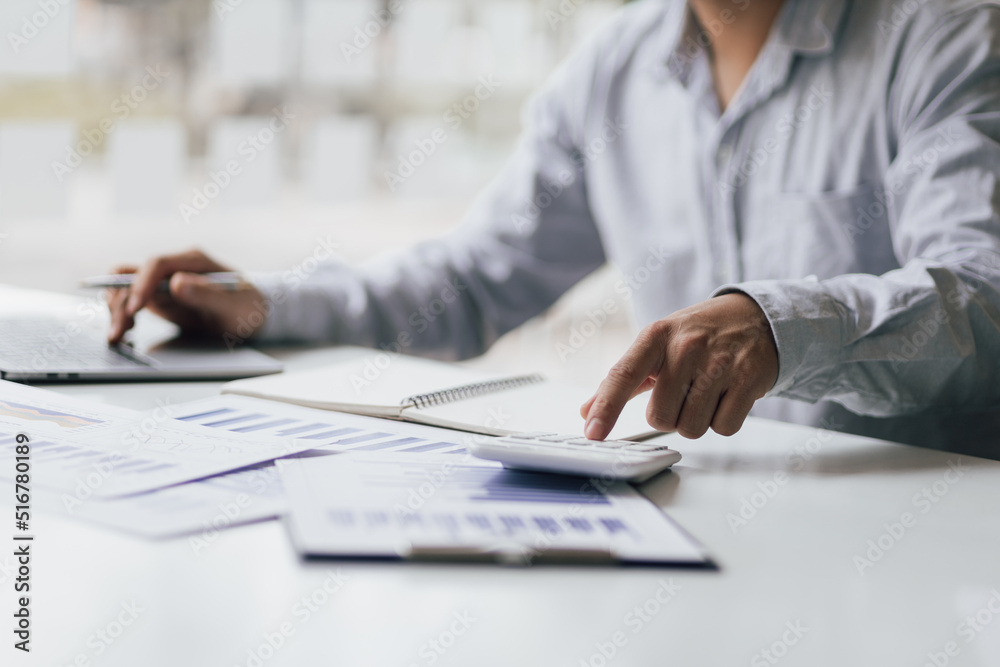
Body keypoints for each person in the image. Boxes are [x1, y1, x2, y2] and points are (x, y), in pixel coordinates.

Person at [108, 0, 1000, 457]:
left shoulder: (948, 42)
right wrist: (266, 304)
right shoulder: (615, 72)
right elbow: (474, 280)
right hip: (710, 531)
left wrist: (782, 325)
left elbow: (983, 302)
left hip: (930, 550)